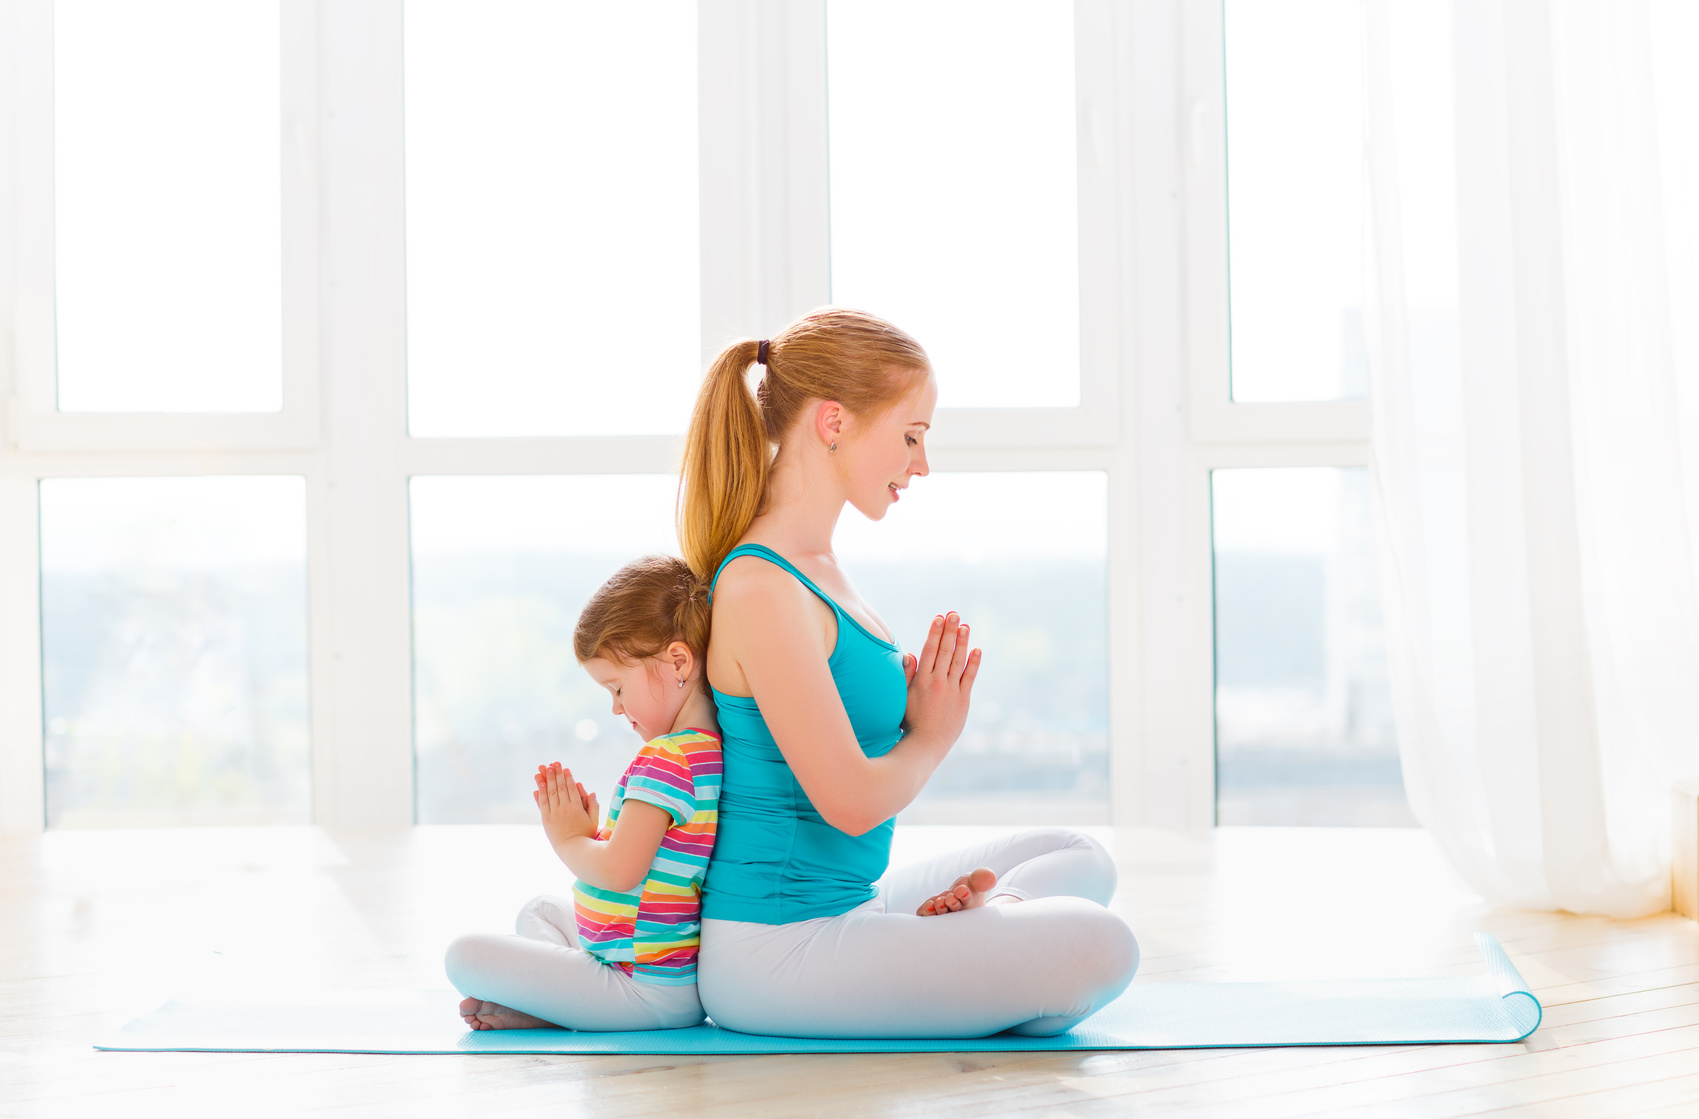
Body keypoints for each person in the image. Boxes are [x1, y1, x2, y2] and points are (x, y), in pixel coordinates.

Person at [681, 307, 1138, 1038]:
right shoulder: (760, 586)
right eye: (911, 435)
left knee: (1078, 857)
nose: (920, 464)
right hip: (776, 952)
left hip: (849, 905)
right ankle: (980, 942)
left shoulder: (817, 568)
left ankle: (975, 932)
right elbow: (851, 803)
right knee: (1102, 942)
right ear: (833, 422)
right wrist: (931, 735)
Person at [444, 555, 722, 1031]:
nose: (616, 709)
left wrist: (569, 838)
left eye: (617, 688)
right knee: (539, 912)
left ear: (678, 661)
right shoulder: (707, 750)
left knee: (462, 955)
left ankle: (557, 1007)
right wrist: (597, 836)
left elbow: (619, 870)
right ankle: (555, 1003)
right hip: (649, 970)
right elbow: (646, 867)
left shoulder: (666, 758)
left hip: (642, 987)